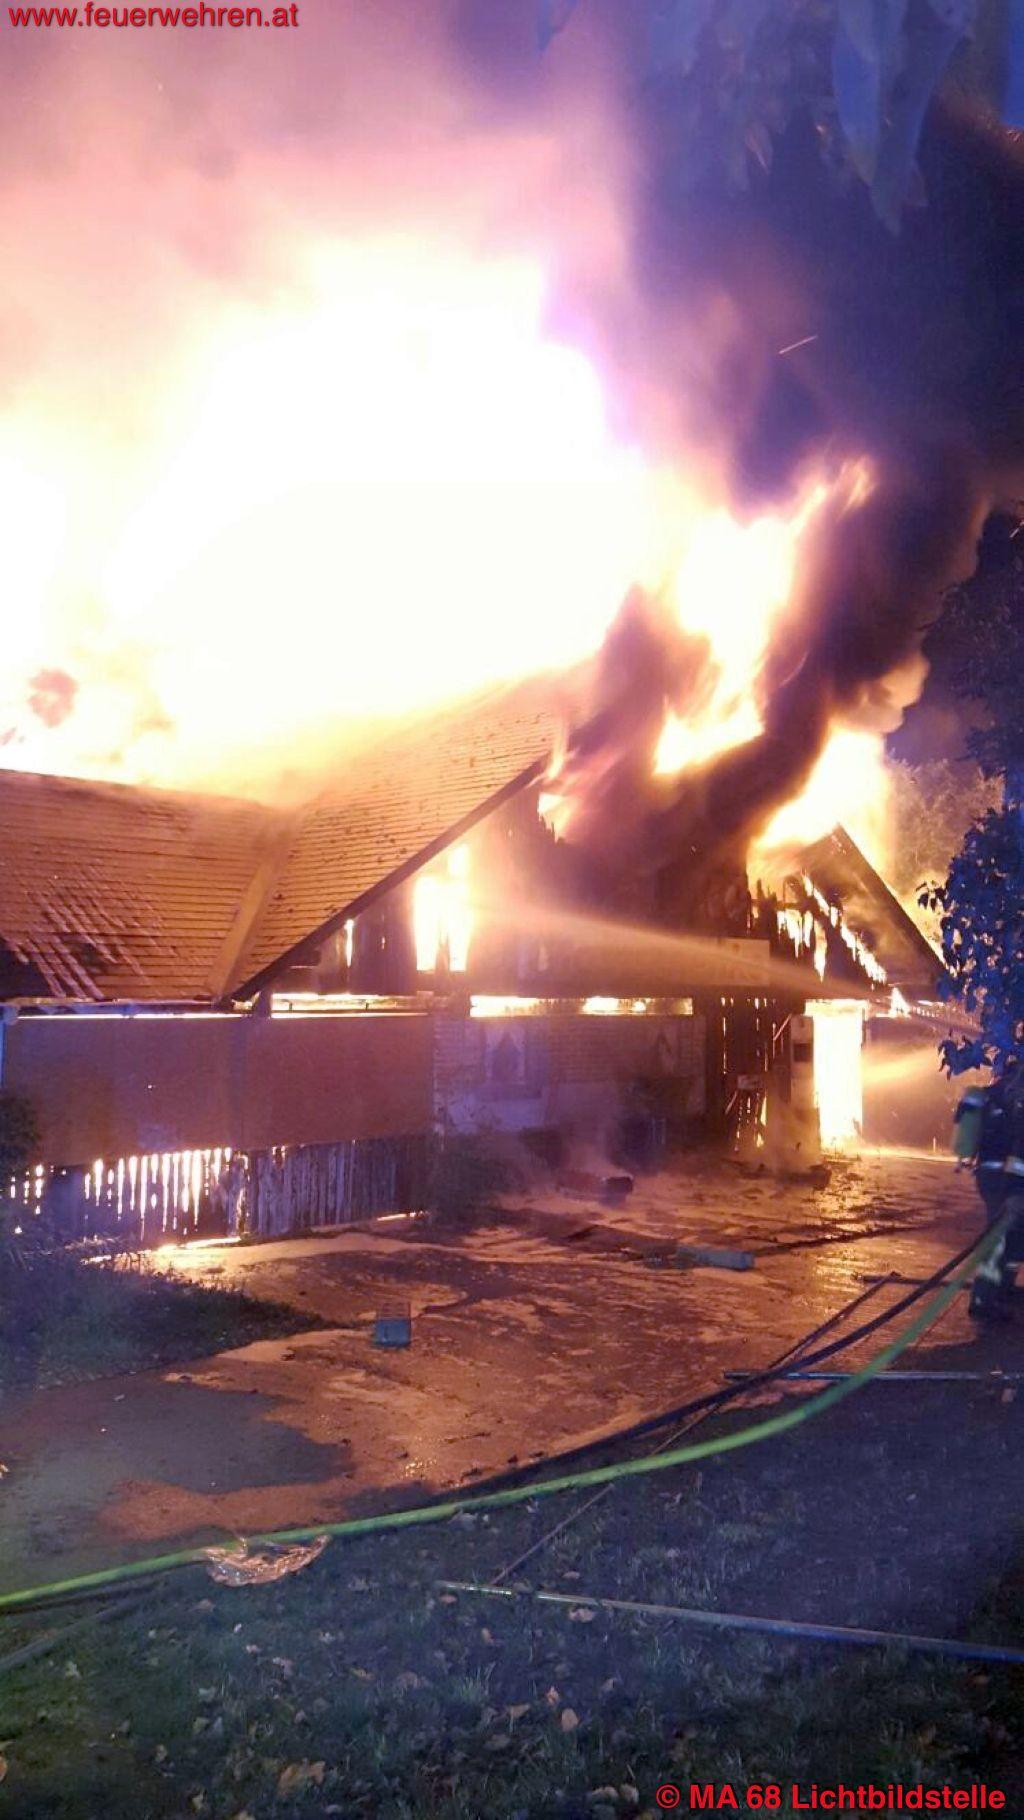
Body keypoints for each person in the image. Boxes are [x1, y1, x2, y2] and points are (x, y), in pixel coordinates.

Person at [958, 1058, 1024, 1320]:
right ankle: (982, 1300)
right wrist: (1015, 1191)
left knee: (1016, 1235)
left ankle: (1003, 1288)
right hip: (1004, 1180)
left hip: (997, 1175)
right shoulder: (1013, 1102)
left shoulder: (992, 1097)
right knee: (999, 1238)